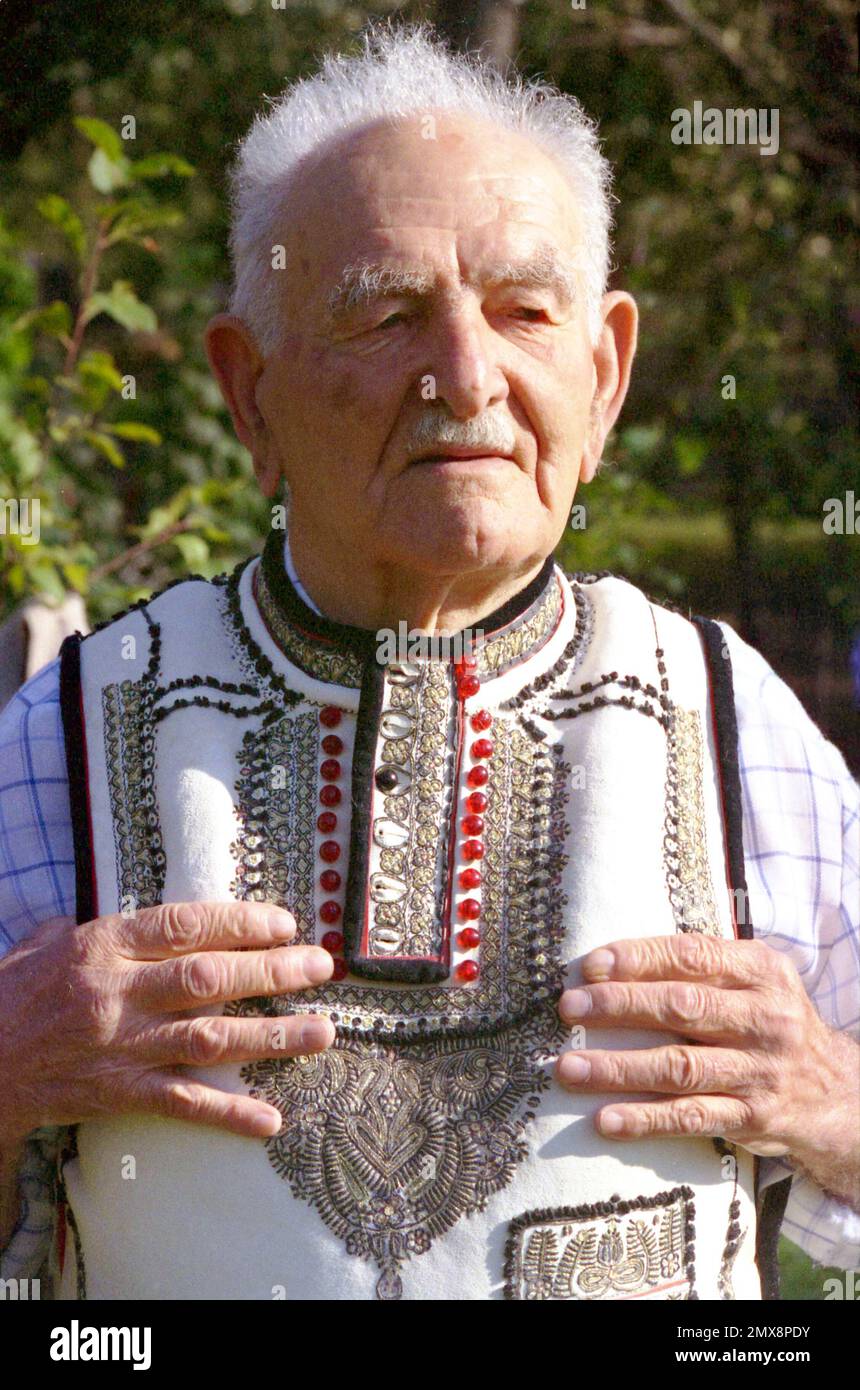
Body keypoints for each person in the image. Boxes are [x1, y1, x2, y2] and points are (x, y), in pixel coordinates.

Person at [0, 24, 857, 1301]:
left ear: (604, 374)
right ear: (250, 395)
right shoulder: (66, 734)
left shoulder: (733, 722)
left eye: (521, 312)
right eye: (387, 314)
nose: (466, 375)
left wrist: (833, 1101)